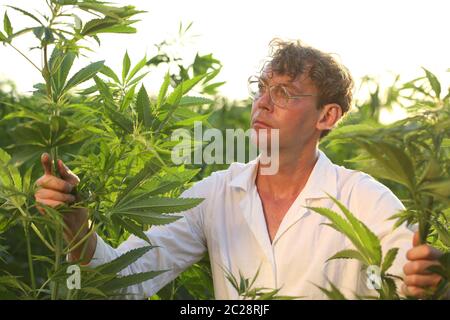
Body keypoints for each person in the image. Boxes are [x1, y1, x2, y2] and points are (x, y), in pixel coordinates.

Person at [34, 39, 444, 299]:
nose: (262, 103)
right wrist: (76, 223)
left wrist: (430, 278)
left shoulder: (362, 197)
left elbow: (409, 280)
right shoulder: (215, 193)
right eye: (261, 89)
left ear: (327, 116)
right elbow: (127, 280)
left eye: (283, 93)